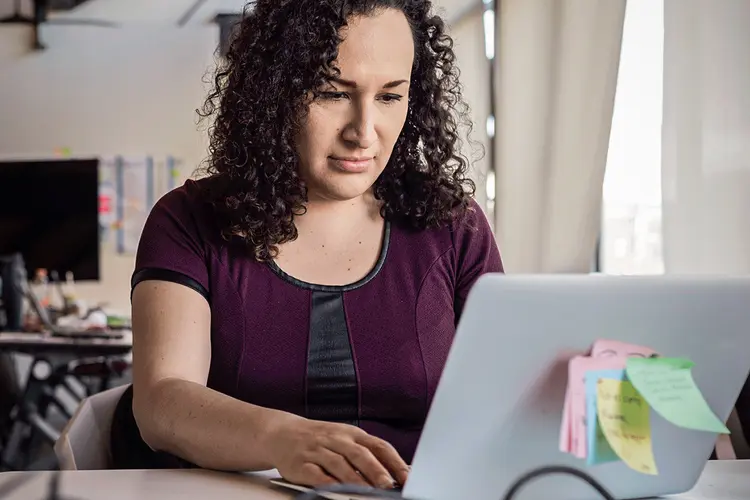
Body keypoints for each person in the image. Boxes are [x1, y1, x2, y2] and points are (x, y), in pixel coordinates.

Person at [109, 0, 503, 489]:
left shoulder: (454, 227)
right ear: (274, 93)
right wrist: (283, 438)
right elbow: (162, 399)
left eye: (389, 97)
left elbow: (503, 397)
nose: (363, 132)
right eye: (332, 92)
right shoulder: (188, 221)